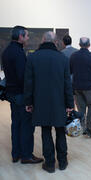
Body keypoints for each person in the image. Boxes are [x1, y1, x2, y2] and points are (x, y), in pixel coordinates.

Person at [24, 31, 74, 173]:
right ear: (55, 41)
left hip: (40, 102)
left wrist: (28, 102)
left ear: (42, 40)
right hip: (60, 102)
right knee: (60, 131)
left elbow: (29, 83)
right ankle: (63, 162)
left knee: (46, 132)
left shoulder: (33, 58)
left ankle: (50, 164)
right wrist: (70, 104)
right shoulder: (62, 59)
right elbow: (67, 84)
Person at [2, 25, 43, 164]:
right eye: (26, 35)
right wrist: (29, 100)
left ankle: (16, 153)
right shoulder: (18, 53)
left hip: (12, 93)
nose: (28, 38)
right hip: (20, 95)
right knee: (26, 125)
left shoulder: (7, 51)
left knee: (16, 124)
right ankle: (26, 155)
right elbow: (22, 78)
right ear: (20, 37)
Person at [70, 37, 91, 138]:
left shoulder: (73, 56)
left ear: (79, 44)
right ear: (89, 45)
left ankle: (82, 128)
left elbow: (70, 71)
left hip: (77, 87)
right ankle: (88, 128)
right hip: (90, 87)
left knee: (81, 109)